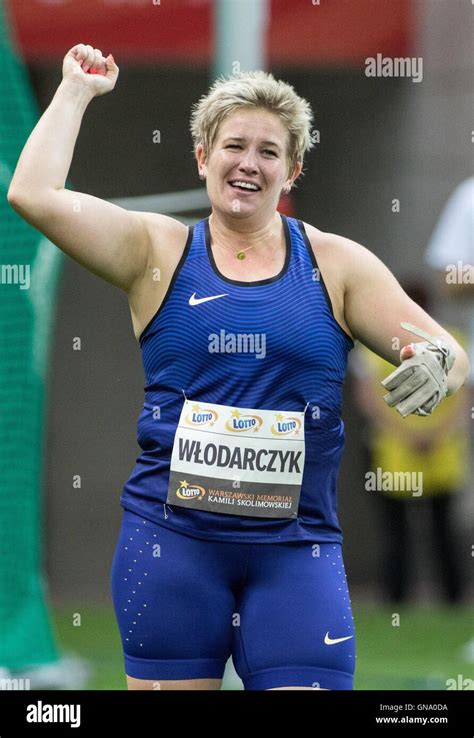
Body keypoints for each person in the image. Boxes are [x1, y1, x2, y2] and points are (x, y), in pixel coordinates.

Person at [7, 43, 470, 691]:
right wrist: (76, 92)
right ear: (202, 156)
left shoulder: (337, 265)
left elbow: (448, 354)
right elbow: (32, 194)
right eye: (233, 145)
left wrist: (440, 365)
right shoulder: (155, 250)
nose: (248, 163)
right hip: (171, 550)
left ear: (293, 171)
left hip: (295, 554)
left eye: (269, 151)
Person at [352, 283, 469, 603]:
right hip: (401, 452)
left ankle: (448, 600)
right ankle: (400, 600)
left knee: (437, 529)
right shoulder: (373, 346)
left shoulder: (453, 340)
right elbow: (367, 399)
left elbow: (464, 398)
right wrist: (422, 435)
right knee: (400, 532)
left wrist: (422, 435)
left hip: (428, 451)